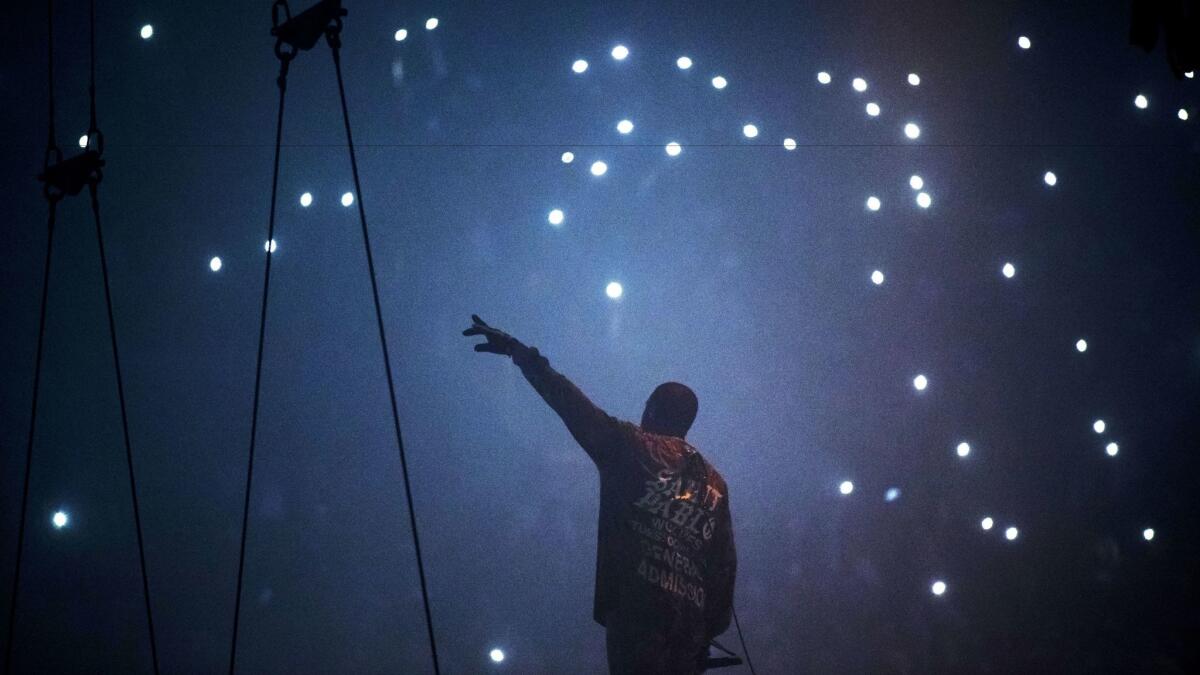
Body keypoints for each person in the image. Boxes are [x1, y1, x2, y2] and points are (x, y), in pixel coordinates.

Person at [464, 314, 737, 674]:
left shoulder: (630, 446)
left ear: (651, 410)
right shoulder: (715, 483)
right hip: (690, 627)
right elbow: (724, 567)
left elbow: (571, 404)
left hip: (638, 608)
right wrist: (705, 633)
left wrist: (519, 353)